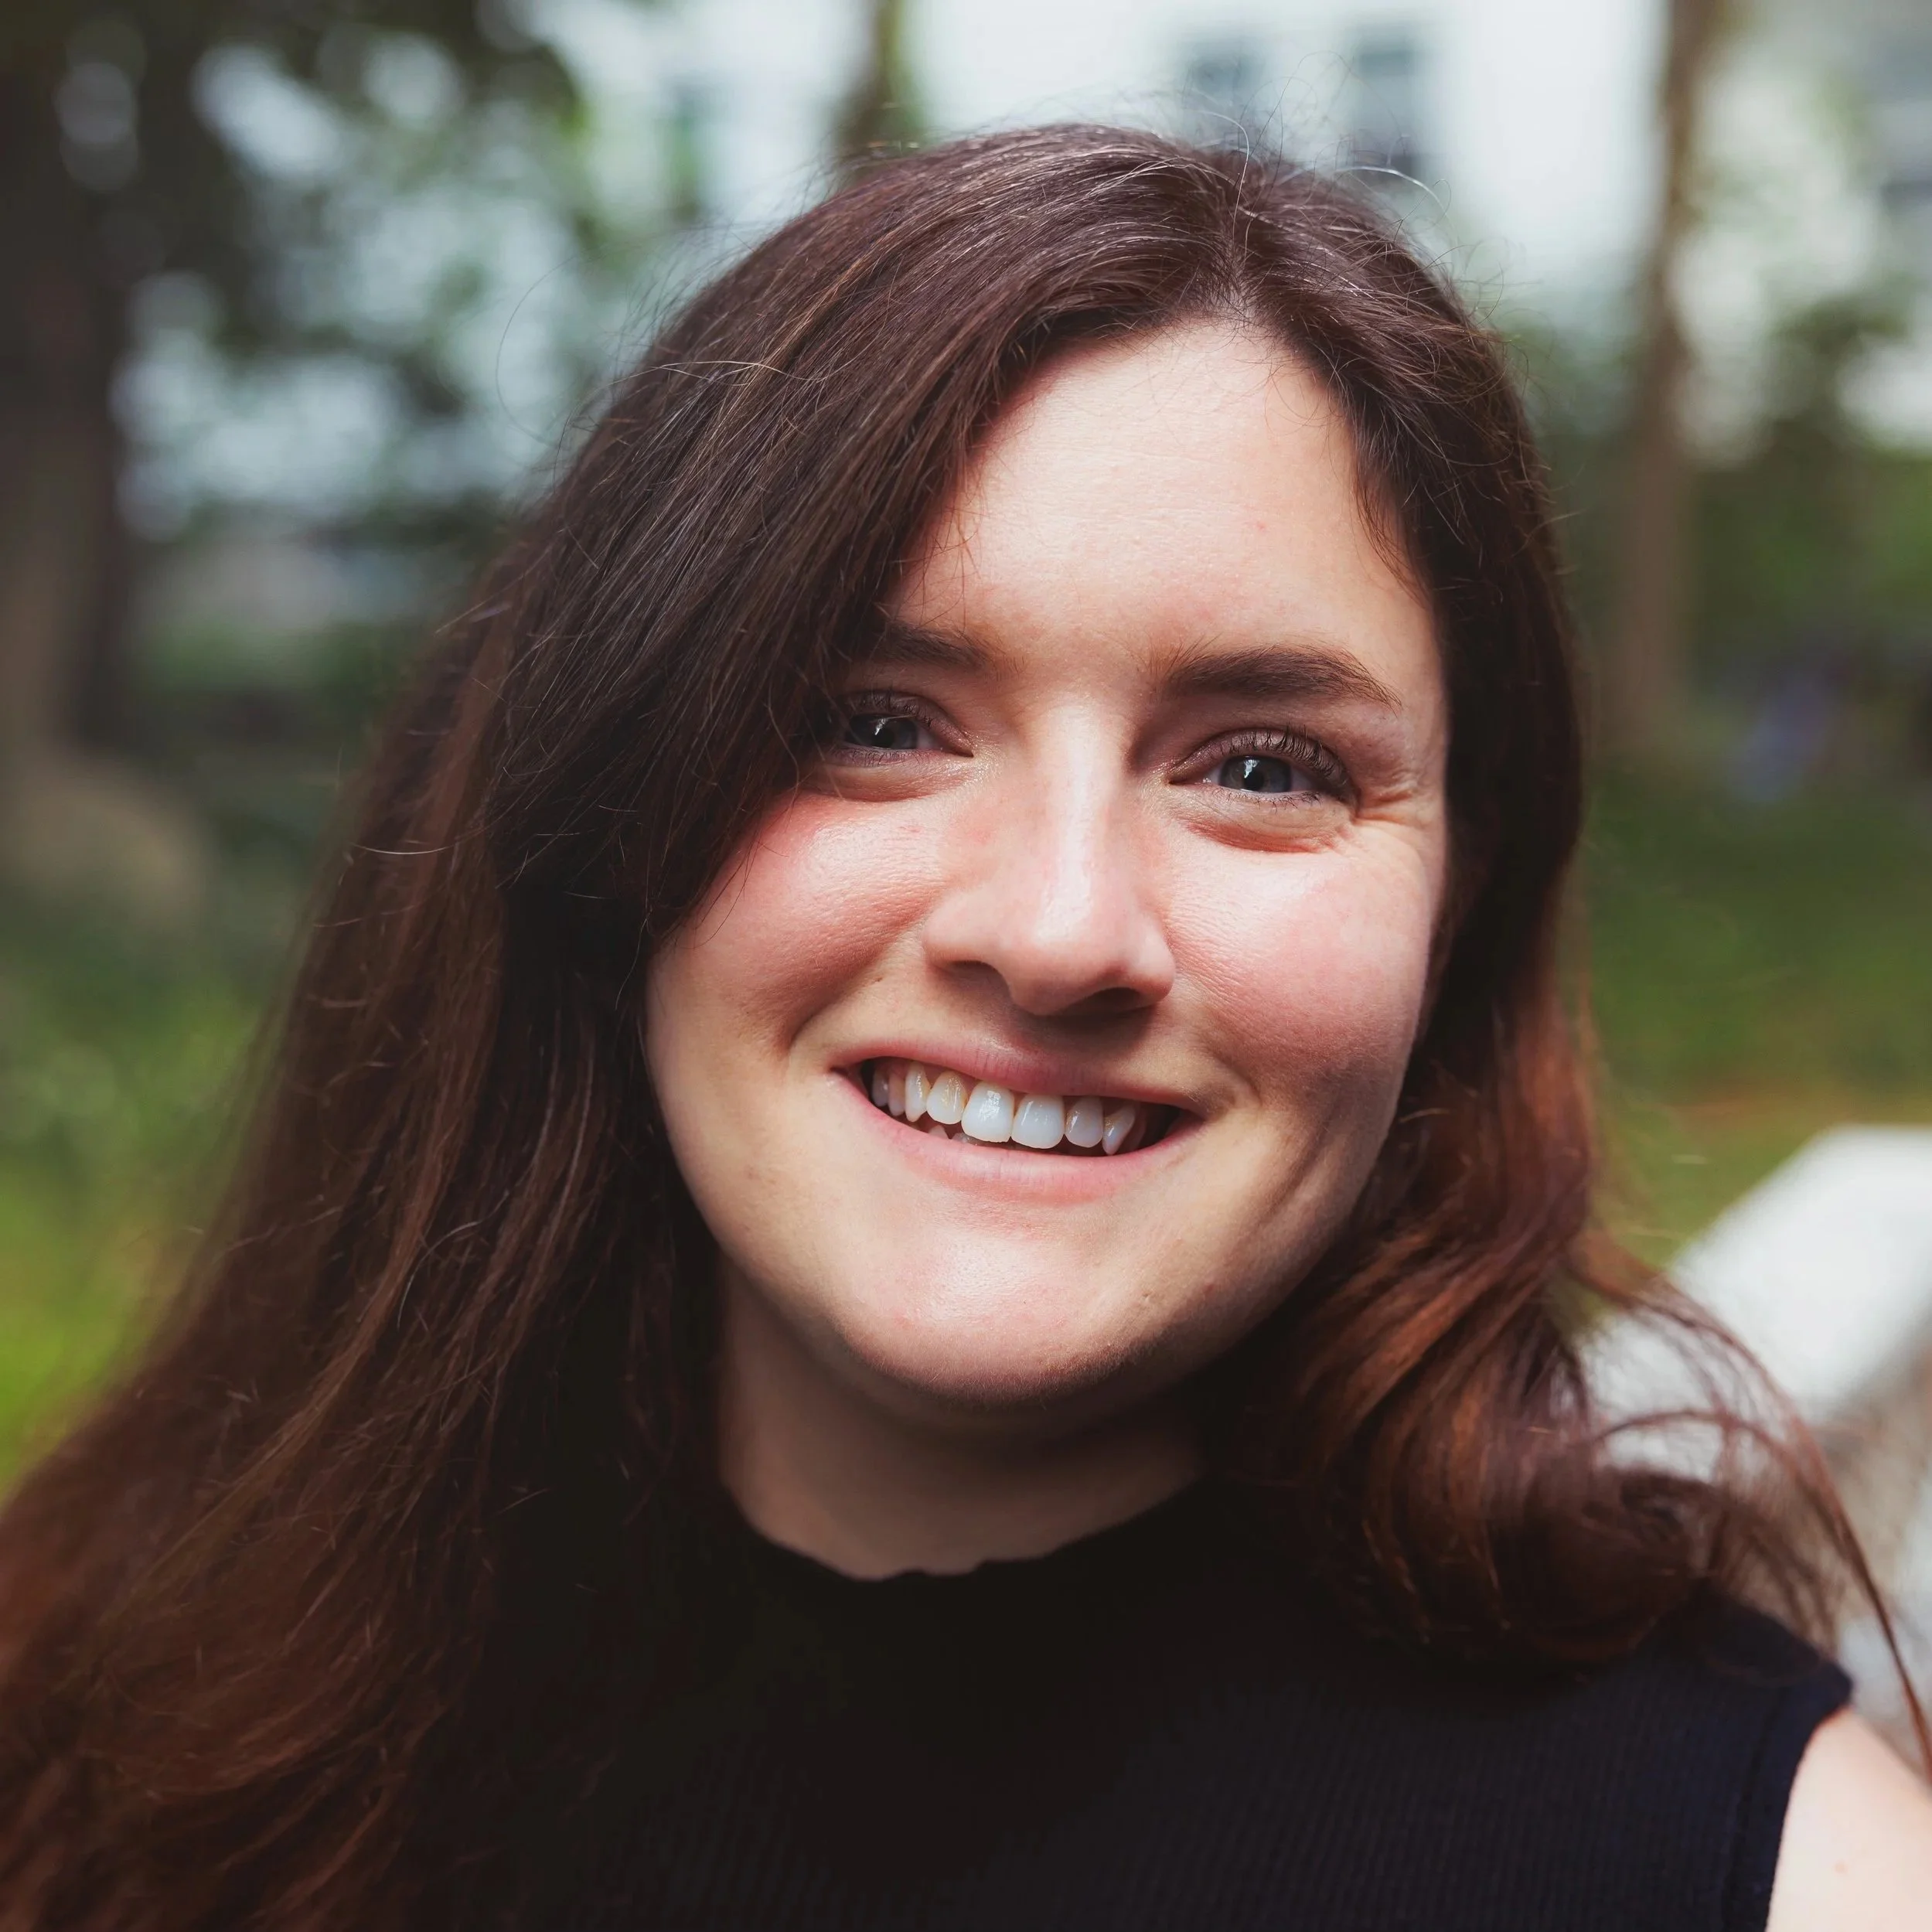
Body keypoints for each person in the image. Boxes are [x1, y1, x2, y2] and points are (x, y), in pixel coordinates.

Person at [1, 125, 1928, 1932]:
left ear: (1459, 901)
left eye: (1262, 764)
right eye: (875, 719)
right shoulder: (107, 1728)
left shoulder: (1793, 1883)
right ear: (604, 808)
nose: (1060, 927)